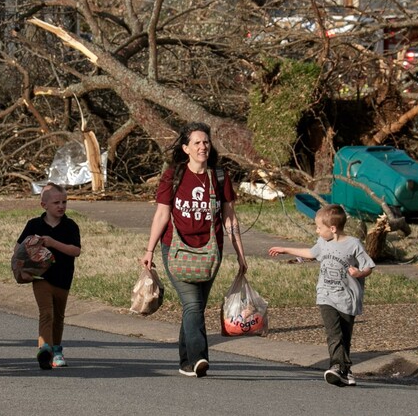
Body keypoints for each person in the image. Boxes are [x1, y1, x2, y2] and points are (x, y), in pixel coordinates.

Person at [140, 122, 248, 378]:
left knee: (195, 307)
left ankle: (186, 361)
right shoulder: (173, 175)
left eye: (206, 142)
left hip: (211, 251)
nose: (203, 146)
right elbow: (161, 214)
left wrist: (241, 255)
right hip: (176, 248)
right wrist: (149, 250)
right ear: (186, 148)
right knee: (192, 304)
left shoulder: (219, 176)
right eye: (197, 142)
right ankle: (200, 357)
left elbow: (230, 219)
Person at [268, 204, 375, 387]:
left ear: (332, 228)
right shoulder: (322, 243)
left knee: (344, 336)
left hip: (347, 298)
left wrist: (359, 273)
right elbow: (310, 253)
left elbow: (369, 266)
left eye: (319, 227)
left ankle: (345, 370)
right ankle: (336, 367)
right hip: (325, 295)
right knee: (334, 333)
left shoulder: (353, 244)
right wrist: (286, 249)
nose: (317, 231)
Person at [17, 183, 81, 370]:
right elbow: (18, 249)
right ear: (44, 205)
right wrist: (31, 250)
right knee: (46, 313)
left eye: (64, 202)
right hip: (41, 277)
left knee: (58, 316)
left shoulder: (70, 226)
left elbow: (75, 250)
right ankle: (44, 348)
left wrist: (53, 243)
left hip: (63, 278)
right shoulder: (34, 225)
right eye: (56, 203)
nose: (61, 206)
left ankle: (57, 350)